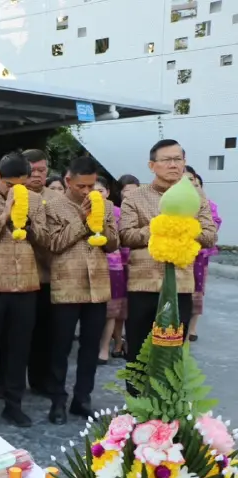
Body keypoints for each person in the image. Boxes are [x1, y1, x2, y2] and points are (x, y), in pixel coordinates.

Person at [119, 140, 217, 368]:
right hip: (143, 286)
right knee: (138, 352)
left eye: (178, 159)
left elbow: (210, 235)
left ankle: (166, 403)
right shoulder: (135, 197)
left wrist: (182, 227)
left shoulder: (197, 197)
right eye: (166, 160)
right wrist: (159, 226)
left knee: (171, 355)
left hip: (180, 287)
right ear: (152, 165)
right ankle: (137, 403)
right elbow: (126, 236)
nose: (173, 165)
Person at [0, 153, 48, 427]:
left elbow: (46, 241)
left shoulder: (36, 200)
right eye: (9, 184)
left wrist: (27, 222)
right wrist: (5, 214)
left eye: (22, 185)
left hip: (26, 284)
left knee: (18, 350)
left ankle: (13, 404)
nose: (16, 190)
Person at [44, 157, 118, 424]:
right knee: (60, 346)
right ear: (68, 181)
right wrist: (82, 220)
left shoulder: (106, 205)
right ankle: (57, 400)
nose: (87, 192)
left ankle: (82, 398)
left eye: (91, 186)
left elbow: (112, 244)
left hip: (97, 287)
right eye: (81, 186)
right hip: (66, 286)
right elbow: (53, 244)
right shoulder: (52, 206)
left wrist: (102, 223)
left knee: (90, 346)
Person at [21, 149, 58, 399]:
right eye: (32, 171)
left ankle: (40, 379)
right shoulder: (11, 195)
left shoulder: (56, 199)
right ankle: (7, 381)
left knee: (45, 332)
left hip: (46, 276)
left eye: (41, 171)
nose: (37, 175)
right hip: (18, 277)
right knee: (16, 334)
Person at [98, 175, 136, 363]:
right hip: (92, 266)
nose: (97, 194)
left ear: (108, 192)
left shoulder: (117, 212)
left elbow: (124, 241)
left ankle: (110, 346)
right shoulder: (81, 210)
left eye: (100, 191)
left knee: (115, 310)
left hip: (116, 266)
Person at [184, 167, 221, 342]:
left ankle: (192, 327)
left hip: (199, 256)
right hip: (177, 254)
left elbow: (213, 227)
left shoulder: (207, 205)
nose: (191, 184)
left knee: (197, 291)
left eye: (194, 181)